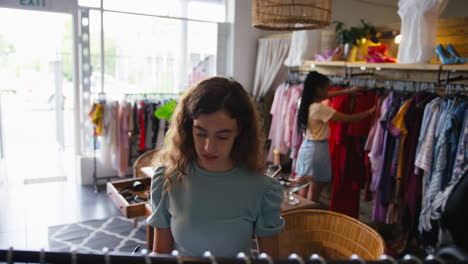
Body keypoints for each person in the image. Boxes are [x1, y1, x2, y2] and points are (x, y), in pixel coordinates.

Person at [146, 77, 285, 257]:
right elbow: (160, 253)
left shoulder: (263, 189)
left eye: (222, 136)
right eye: (200, 134)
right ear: (189, 129)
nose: (208, 147)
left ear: (239, 133)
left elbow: (270, 260)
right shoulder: (167, 180)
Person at [295, 71, 375, 203]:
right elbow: (347, 119)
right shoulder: (320, 109)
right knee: (314, 192)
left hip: (306, 149)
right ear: (318, 90)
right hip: (318, 151)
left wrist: (348, 92)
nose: (329, 91)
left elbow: (326, 95)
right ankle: (307, 219)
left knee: (303, 189)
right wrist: (369, 112)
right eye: (327, 88)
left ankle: (298, 216)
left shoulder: (303, 102)